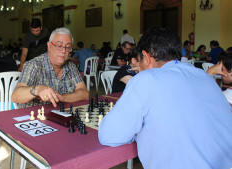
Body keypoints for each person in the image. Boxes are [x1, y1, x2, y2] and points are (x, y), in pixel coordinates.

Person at [98, 27, 232, 169]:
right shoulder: (205, 76)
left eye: (139, 60)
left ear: (146, 56)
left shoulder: (147, 79)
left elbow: (108, 135)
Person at [12, 27, 89, 108]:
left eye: (68, 47)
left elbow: (84, 93)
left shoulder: (71, 67)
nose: (63, 51)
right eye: (59, 45)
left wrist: (61, 97)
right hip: (34, 117)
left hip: (59, 115)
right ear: (49, 45)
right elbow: (15, 96)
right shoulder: (34, 65)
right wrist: (37, 89)